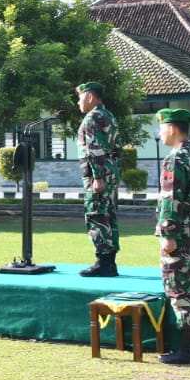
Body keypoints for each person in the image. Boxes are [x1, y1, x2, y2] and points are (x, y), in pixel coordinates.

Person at [155, 108, 190, 365]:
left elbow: (171, 200)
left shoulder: (175, 159)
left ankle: (187, 351)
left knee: (179, 289)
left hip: (179, 233)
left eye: (162, 127)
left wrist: (168, 234)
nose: (160, 133)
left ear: (172, 129)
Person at [76, 81, 121, 277]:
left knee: (96, 215)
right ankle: (110, 263)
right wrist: (112, 173)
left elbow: (94, 149)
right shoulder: (108, 116)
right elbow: (118, 150)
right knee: (108, 216)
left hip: (98, 175)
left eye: (80, 97)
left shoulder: (92, 118)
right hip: (110, 172)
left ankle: (103, 263)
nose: (78, 102)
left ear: (90, 97)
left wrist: (98, 177)